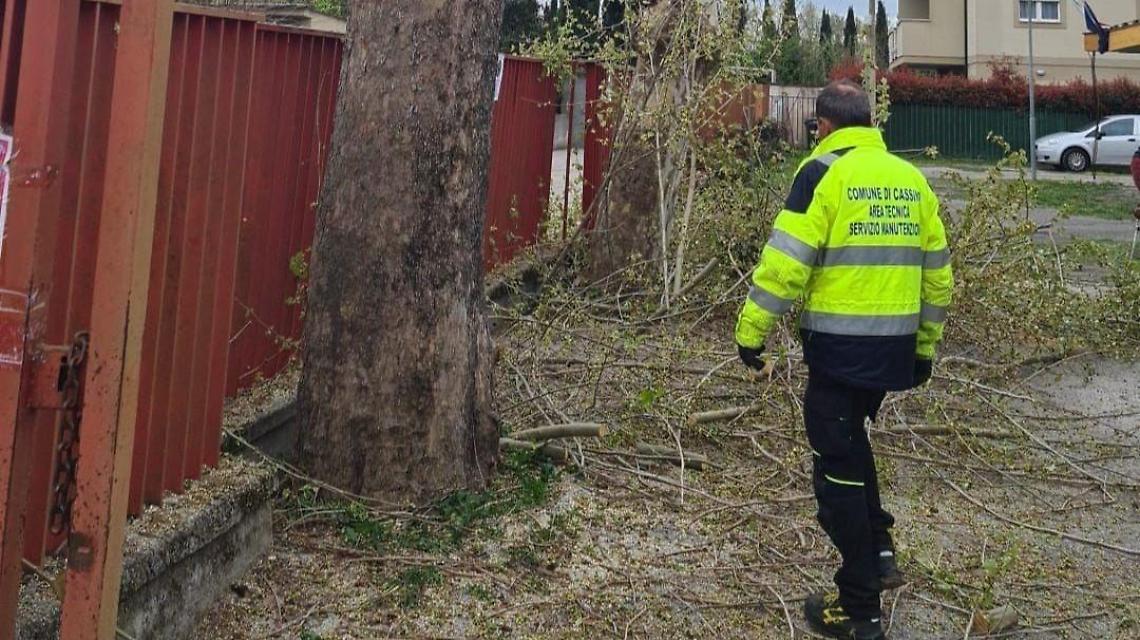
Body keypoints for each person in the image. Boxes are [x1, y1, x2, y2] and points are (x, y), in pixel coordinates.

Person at [734, 80, 953, 640]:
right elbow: (938, 276)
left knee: (836, 475)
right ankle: (880, 551)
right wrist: (923, 348)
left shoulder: (821, 173)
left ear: (824, 127)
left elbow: (785, 265)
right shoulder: (912, 180)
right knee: (853, 443)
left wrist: (750, 336)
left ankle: (859, 610)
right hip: (892, 352)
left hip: (837, 352)